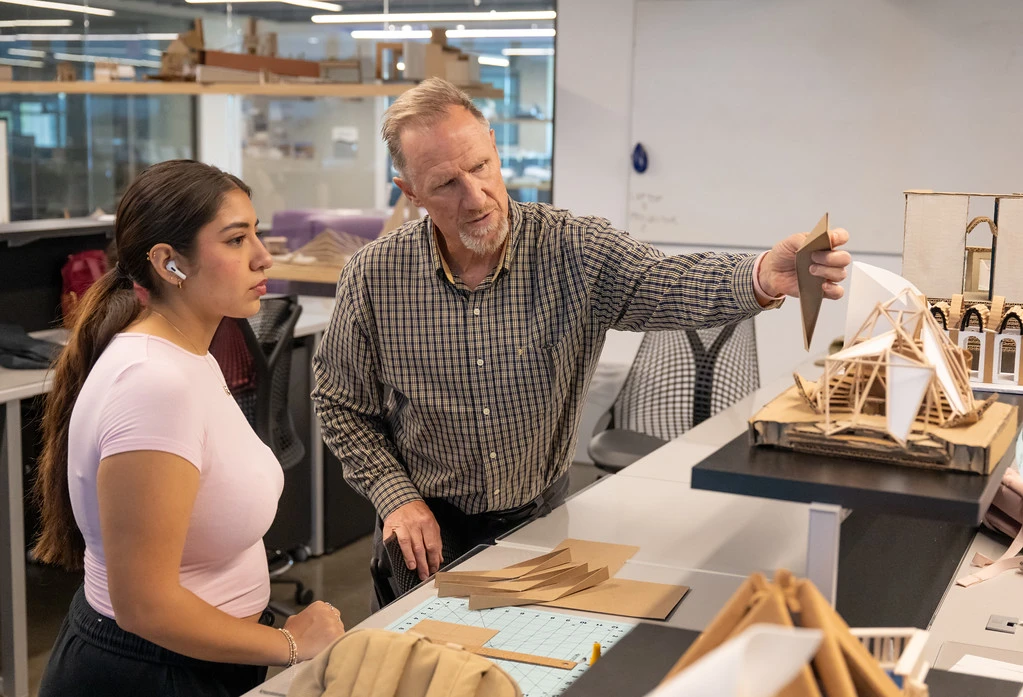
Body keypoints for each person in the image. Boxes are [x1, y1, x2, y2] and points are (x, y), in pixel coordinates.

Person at [311, 78, 852, 603]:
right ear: (411, 193)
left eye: (481, 167)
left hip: (539, 518)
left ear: (495, 148)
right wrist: (396, 498)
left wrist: (761, 276)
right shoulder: (374, 275)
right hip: (425, 529)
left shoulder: (572, 248)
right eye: (446, 185)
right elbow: (340, 402)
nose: (476, 197)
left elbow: (663, 282)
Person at [33, 160, 345, 697]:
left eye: (257, 232)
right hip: (153, 673)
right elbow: (143, 605)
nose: (263, 256)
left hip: (189, 661)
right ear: (169, 263)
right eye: (235, 239)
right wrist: (290, 644)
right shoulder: (155, 384)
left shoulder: (187, 354)